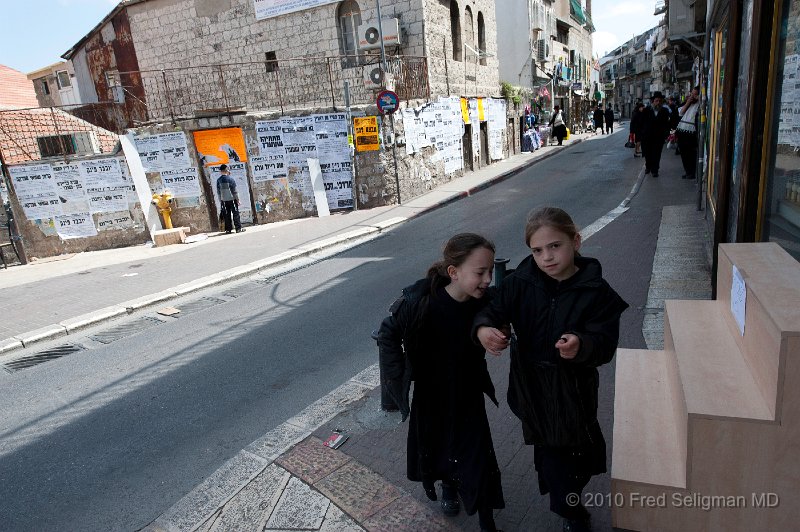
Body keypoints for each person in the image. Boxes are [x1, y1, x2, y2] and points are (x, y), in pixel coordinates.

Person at [474, 207, 628, 532]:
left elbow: (604, 342)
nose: (547, 257)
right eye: (537, 250)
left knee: (578, 453)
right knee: (554, 451)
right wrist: (485, 330)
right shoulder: (519, 283)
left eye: (555, 246)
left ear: (575, 240)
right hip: (530, 386)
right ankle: (569, 510)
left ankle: (566, 493)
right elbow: (492, 308)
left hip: (573, 388)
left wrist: (581, 345)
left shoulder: (596, 291)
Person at [377, 233, 506, 532]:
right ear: (454, 272)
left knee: (478, 459)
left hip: (468, 394)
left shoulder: (484, 302)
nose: (488, 279)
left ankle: (487, 520)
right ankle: (449, 486)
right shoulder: (421, 303)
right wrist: (397, 384)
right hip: (430, 396)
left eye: (489, 271)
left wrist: (498, 329)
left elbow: (503, 311)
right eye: (480, 272)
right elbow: (387, 334)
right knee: (440, 448)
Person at [639, 92, 672, 177]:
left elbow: (667, 124)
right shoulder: (646, 110)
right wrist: (641, 134)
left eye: (660, 101)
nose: (658, 103)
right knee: (647, 153)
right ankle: (648, 166)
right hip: (647, 136)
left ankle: (655, 170)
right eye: (656, 101)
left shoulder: (664, 111)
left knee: (657, 154)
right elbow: (641, 122)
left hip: (659, 137)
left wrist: (666, 134)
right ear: (653, 101)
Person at [676, 86, 701, 180]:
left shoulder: (700, 104)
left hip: (691, 132)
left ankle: (691, 172)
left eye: (695, 94)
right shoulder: (689, 103)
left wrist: (698, 99)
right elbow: (681, 113)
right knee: (683, 152)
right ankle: (687, 171)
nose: (692, 96)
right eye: (691, 94)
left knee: (690, 153)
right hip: (682, 130)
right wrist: (688, 102)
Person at [216, 164, 245, 233]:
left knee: (227, 214)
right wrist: (238, 200)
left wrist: (221, 200)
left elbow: (218, 192)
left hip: (224, 201)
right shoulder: (231, 179)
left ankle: (228, 230)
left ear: (221, 171)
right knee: (235, 213)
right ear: (227, 170)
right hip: (232, 199)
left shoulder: (218, 180)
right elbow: (234, 191)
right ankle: (238, 229)